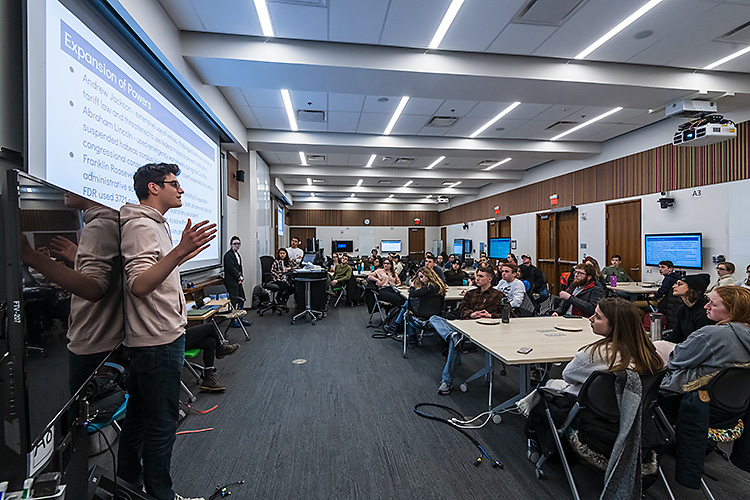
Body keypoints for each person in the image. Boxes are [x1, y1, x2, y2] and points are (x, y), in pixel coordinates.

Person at [118, 163, 216, 500]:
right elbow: (139, 285)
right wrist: (178, 253)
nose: (182, 189)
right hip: (157, 341)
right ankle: (162, 494)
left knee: (138, 421)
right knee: (161, 425)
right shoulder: (141, 226)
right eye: (174, 183)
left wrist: (179, 255)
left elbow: (157, 273)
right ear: (153, 188)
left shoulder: (156, 224)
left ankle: (127, 488)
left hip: (162, 337)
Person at [20, 192, 123, 394]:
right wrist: (78, 260)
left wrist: (30, 255)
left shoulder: (98, 226)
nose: (64, 190)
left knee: (82, 413)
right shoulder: (112, 223)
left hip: (93, 339)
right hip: (104, 335)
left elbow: (94, 289)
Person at [656, 287, 750, 485]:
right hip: (732, 410)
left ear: (733, 310)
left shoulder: (713, 334)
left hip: (689, 403)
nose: (706, 306)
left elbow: (677, 359)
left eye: (713, 304)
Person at [429, 266, 505, 395]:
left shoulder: (499, 295)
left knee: (455, 342)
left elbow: (508, 315)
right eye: (477, 275)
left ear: (490, 279)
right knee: (434, 318)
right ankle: (452, 335)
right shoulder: (471, 293)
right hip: (464, 325)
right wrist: (472, 314)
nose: (477, 278)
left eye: (481, 276)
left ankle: (446, 382)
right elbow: (461, 310)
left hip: (484, 329)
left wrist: (490, 315)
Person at [184, 323, 240, 392]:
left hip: (179, 335)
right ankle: (220, 349)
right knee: (210, 327)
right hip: (173, 341)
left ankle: (208, 378)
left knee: (210, 342)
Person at [663, 274, 714, 344]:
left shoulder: (704, 312)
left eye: (679, 284)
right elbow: (677, 335)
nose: (673, 286)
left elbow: (701, 342)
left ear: (691, 288)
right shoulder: (682, 309)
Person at [223, 236, 251, 327]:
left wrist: (241, 277)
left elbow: (239, 267)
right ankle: (234, 320)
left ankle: (241, 318)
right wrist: (239, 277)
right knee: (234, 301)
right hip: (231, 282)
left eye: (238, 243)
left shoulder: (237, 254)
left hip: (238, 281)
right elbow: (232, 269)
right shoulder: (228, 255)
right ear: (231, 245)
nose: (237, 245)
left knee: (242, 299)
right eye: (235, 244)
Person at [646, 260, 682, 328]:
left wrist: (654, 296)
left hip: (666, 303)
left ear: (670, 269)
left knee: (636, 304)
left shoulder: (668, 279)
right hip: (671, 304)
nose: (660, 269)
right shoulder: (676, 277)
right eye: (659, 267)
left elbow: (662, 291)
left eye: (663, 267)